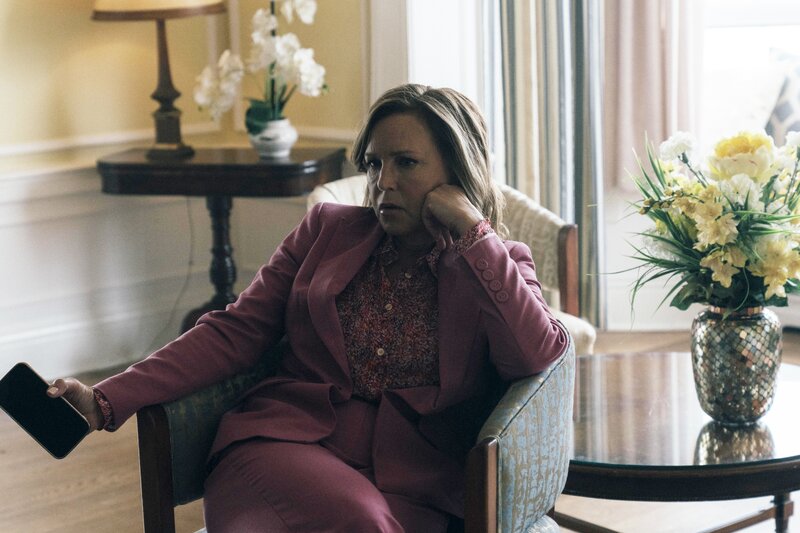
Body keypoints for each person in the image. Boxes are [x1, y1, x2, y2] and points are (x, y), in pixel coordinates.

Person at [49, 84, 569, 532]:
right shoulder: (326, 230)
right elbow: (232, 332)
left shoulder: (495, 261)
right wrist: (106, 399)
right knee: (361, 521)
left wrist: (475, 234)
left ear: (456, 171)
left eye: (406, 163)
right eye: (374, 163)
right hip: (283, 448)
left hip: (416, 483)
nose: (383, 182)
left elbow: (539, 354)